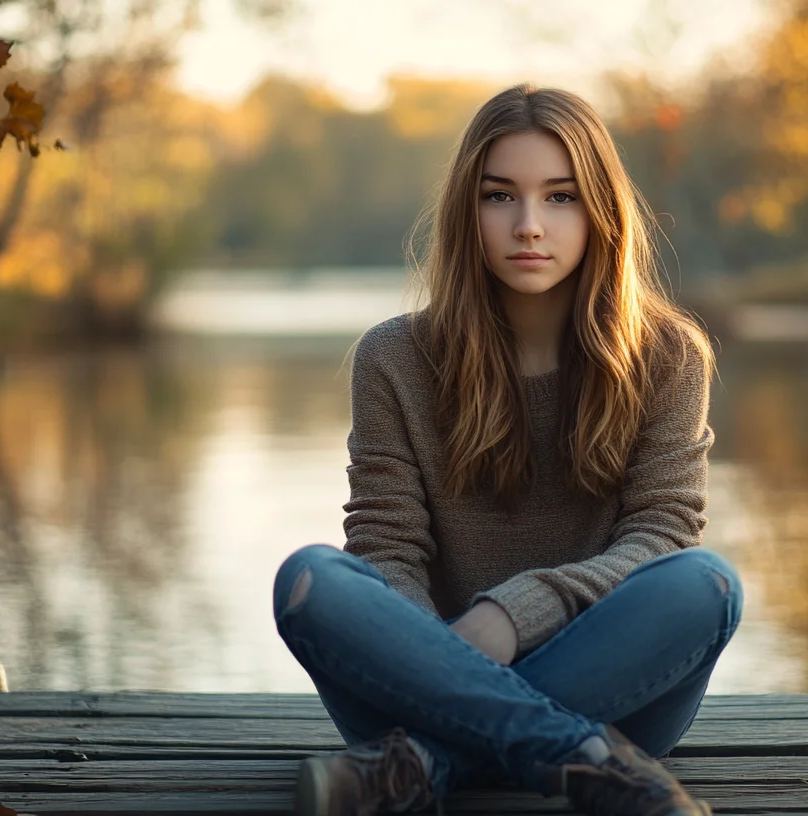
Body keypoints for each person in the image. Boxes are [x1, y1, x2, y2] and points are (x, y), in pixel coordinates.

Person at [272, 84, 743, 816]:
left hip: (615, 693)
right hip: (424, 689)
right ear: (470, 210)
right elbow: (385, 547)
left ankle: (420, 768)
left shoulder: (668, 356)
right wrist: (439, 662)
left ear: (601, 213)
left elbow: (660, 536)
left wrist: (513, 616)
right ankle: (571, 757)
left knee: (703, 584)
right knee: (309, 580)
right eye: (501, 197)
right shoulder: (394, 358)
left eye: (560, 198)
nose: (529, 225)